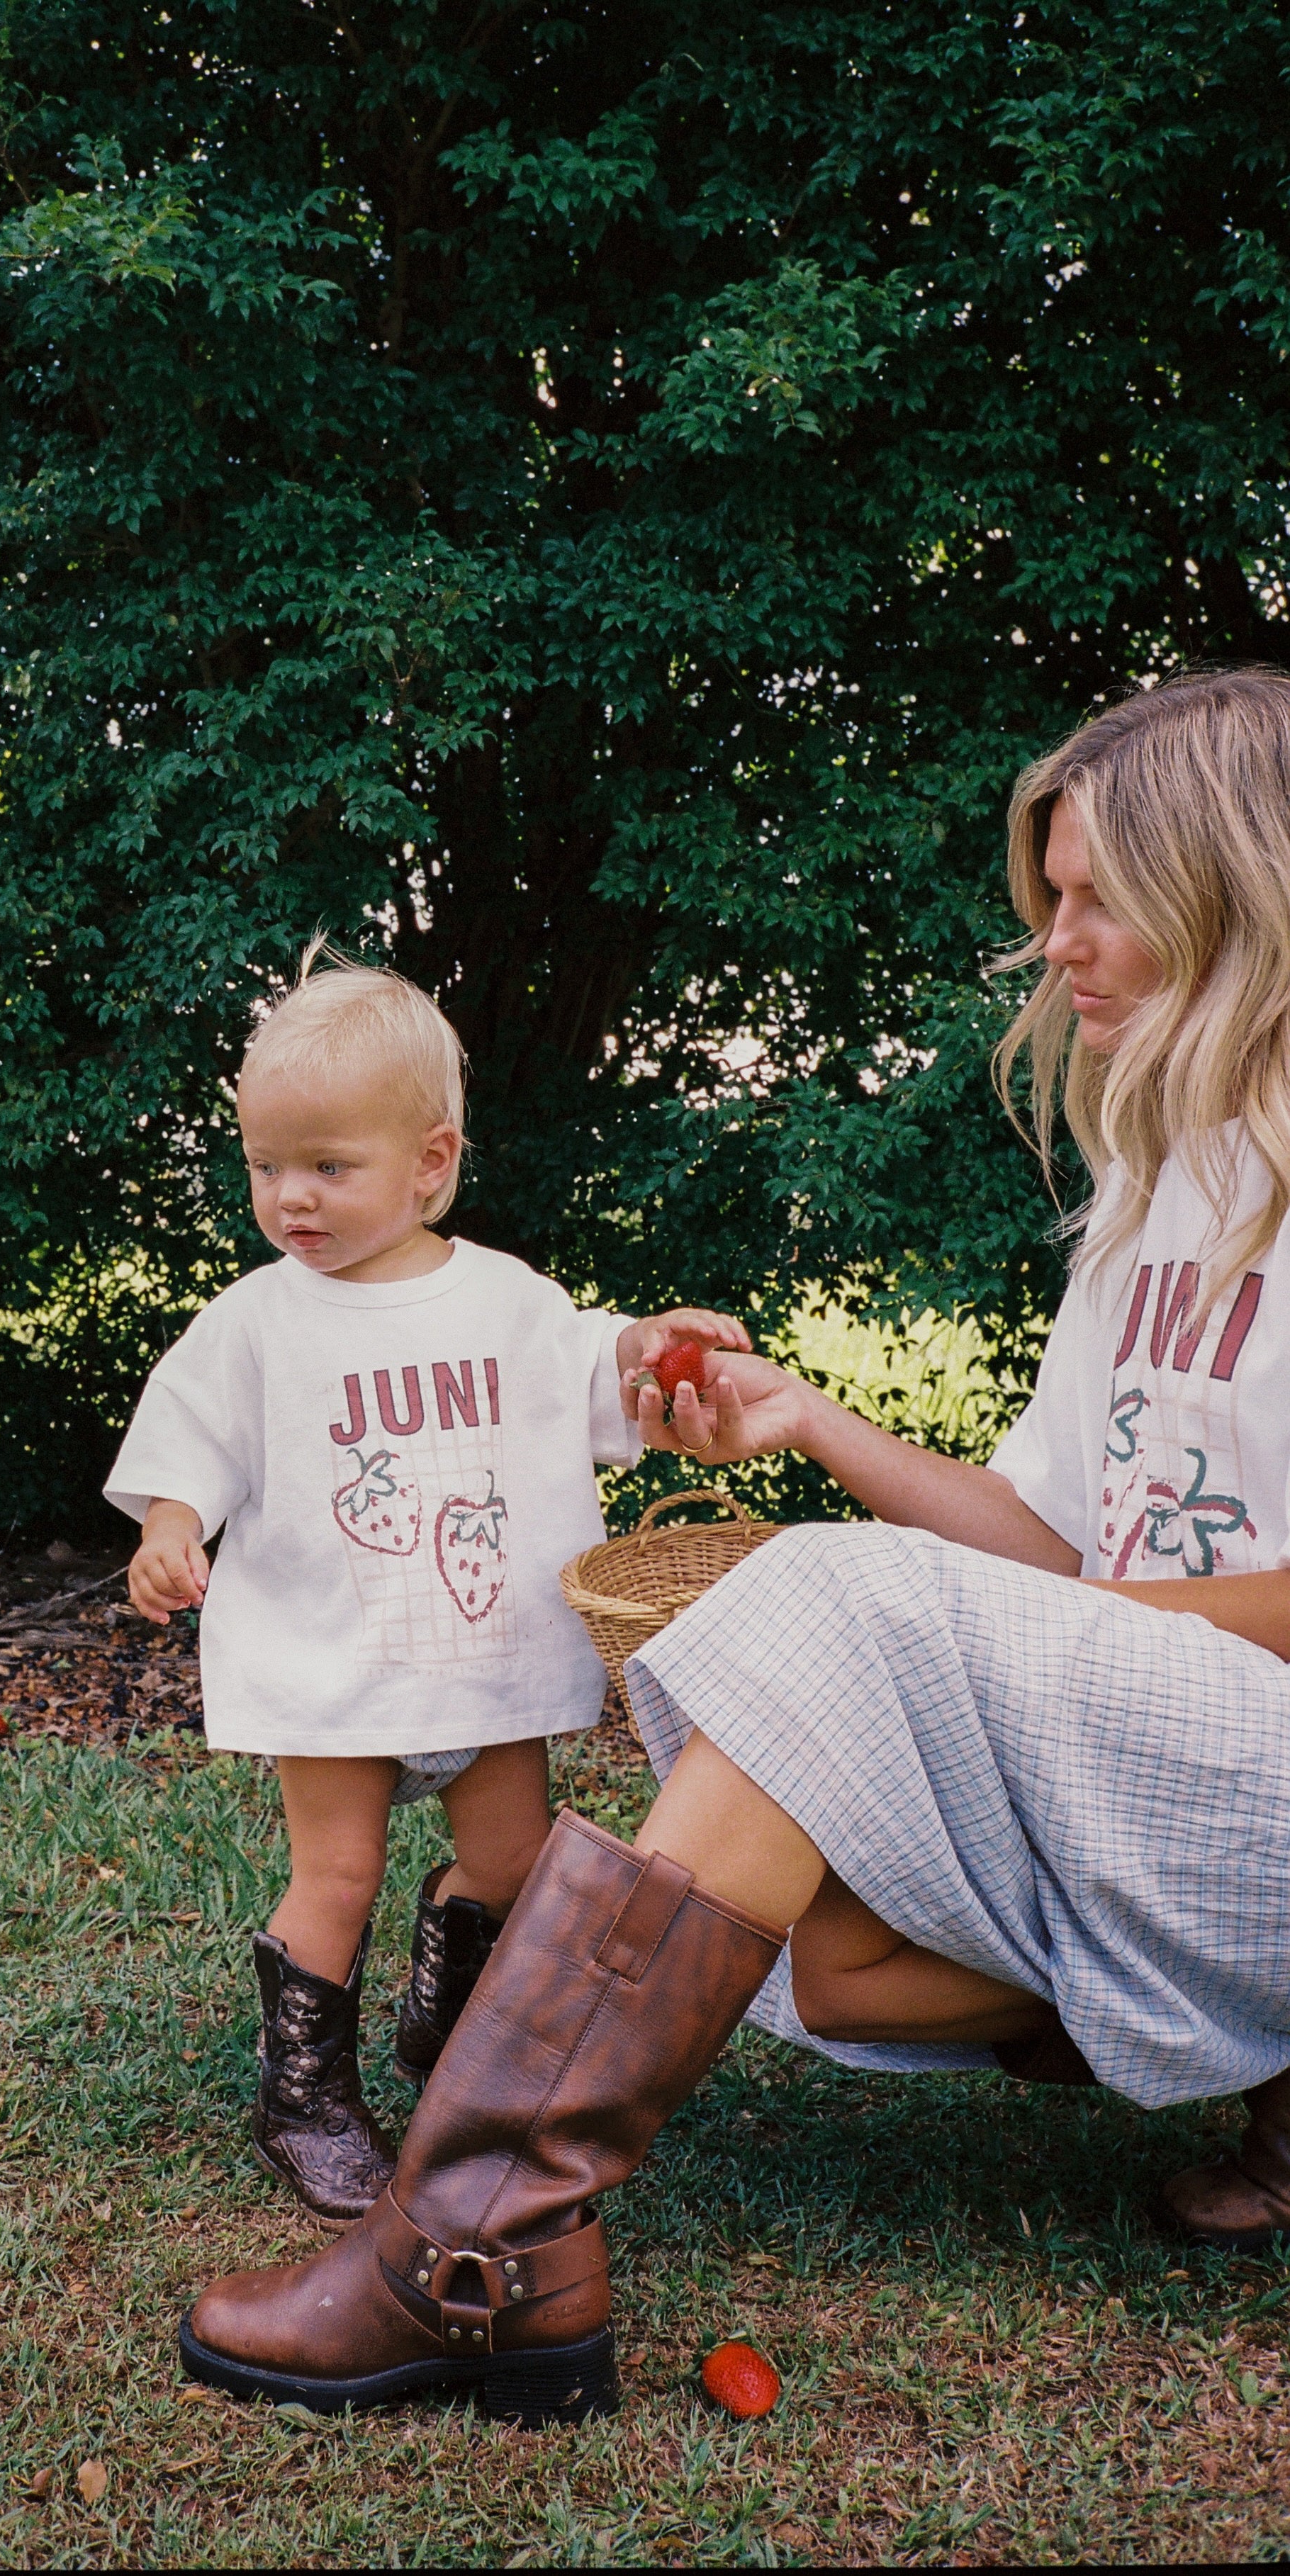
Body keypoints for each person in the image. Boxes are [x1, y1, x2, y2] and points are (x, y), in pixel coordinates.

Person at [176, 668, 1290, 2424]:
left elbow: (1096, 1606)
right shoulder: (1158, 1194)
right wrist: (812, 1428)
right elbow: (1050, 1546)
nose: (1050, 946)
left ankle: (476, 2242)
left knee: (821, 1609)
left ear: (1237, 899)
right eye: (1048, 897)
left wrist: (1085, 1634)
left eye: (1094, 902)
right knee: (828, 1955)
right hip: (1153, 1730)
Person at [105, 944, 748, 2222]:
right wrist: (172, 1528)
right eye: (265, 1167)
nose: (291, 1196)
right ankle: (306, 2100)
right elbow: (192, 1442)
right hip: (332, 1657)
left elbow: (588, 1369)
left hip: (484, 1658)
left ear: (432, 1163)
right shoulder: (255, 1322)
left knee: (512, 1865)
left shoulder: (505, 1302)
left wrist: (645, 1344)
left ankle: (451, 2017)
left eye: (328, 1167)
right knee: (334, 1876)